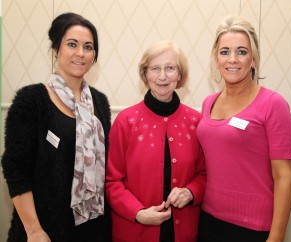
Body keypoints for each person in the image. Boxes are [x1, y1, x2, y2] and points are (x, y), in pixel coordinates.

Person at [1, 12, 111, 242]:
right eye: (72, 44)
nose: (80, 53)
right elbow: (16, 170)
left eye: (88, 47)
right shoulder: (31, 100)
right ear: (56, 50)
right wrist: (33, 230)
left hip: (92, 227)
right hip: (43, 228)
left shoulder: (99, 103)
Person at [196, 15, 291, 242]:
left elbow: (284, 178)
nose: (233, 59)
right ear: (216, 59)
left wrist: (277, 237)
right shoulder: (208, 103)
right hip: (208, 220)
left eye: (241, 51)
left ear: (254, 59)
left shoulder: (273, 104)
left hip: (253, 228)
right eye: (224, 52)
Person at [105, 40, 206, 242]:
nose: (162, 76)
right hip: (135, 230)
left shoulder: (196, 122)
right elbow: (112, 182)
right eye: (155, 68)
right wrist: (138, 212)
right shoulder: (126, 122)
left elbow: (203, 174)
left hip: (184, 231)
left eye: (170, 68)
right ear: (145, 74)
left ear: (180, 75)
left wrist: (190, 192)